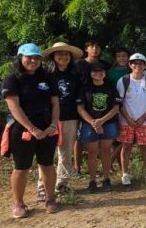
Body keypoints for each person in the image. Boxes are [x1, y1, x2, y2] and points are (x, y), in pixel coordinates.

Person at [1, 43, 60, 218]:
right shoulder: (12, 79)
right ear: (20, 58)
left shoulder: (47, 78)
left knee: (48, 165)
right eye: (29, 57)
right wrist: (32, 129)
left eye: (37, 58)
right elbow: (14, 107)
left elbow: (55, 103)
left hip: (47, 128)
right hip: (22, 129)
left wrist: (52, 125)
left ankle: (50, 199)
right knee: (21, 167)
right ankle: (18, 203)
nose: (33, 61)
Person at [43, 41, 84, 194]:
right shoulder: (45, 74)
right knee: (47, 154)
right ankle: (43, 186)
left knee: (66, 152)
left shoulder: (75, 75)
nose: (63, 56)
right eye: (59, 53)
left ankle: (61, 183)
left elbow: (79, 96)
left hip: (70, 117)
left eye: (66, 53)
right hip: (48, 119)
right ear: (53, 56)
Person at [77, 62, 121, 192]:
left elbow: (116, 107)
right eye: (95, 71)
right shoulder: (85, 87)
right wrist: (93, 123)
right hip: (89, 124)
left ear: (105, 73)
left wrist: (101, 121)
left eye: (101, 71)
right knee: (92, 152)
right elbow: (80, 108)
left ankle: (106, 179)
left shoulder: (111, 87)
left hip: (108, 123)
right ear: (90, 73)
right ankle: (92, 181)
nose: (98, 73)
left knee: (106, 151)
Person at [116, 53, 146, 186]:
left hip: (145, 121)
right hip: (126, 121)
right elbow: (120, 103)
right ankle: (125, 174)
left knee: (145, 147)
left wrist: (143, 117)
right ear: (130, 65)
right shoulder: (123, 81)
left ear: (145, 66)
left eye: (141, 63)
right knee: (126, 147)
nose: (137, 65)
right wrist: (128, 119)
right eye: (135, 63)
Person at [74, 40, 109, 174]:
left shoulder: (104, 65)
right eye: (91, 46)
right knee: (79, 136)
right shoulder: (78, 64)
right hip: (81, 103)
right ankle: (77, 167)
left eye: (97, 46)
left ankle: (104, 166)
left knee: (100, 136)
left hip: (100, 104)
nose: (95, 49)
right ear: (86, 49)